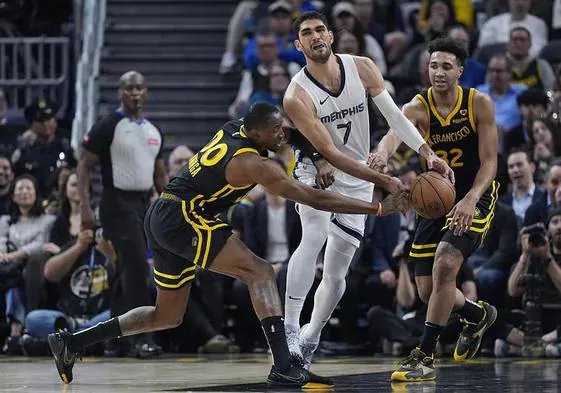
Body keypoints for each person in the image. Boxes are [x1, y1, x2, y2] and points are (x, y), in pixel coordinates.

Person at [47, 102, 408, 387]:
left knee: (166, 316)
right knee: (261, 271)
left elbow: (293, 135)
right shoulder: (253, 164)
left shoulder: (237, 128)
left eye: (280, 127)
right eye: (274, 131)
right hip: (183, 218)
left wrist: (313, 154)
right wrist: (375, 206)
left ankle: (73, 343)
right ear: (255, 133)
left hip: (164, 215)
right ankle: (285, 366)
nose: (281, 135)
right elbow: (315, 199)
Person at [281, 11, 453, 370]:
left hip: (359, 176)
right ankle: (289, 330)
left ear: (330, 35)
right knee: (312, 236)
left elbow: (395, 116)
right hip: (317, 171)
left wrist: (426, 153)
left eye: (319, 30)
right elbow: (329, 154)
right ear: (298, 45)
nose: (315, 37)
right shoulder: (296, 95)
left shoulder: (362, 67)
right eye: (306, 33)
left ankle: (311, 337)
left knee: (336, 273)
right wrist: (385, 181)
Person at [370, 37, 499, 381]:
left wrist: (471, 199)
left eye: (446, 66)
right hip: (433, 200)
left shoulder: (479, 104)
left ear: (460, 70)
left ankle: (423, 356)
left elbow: (490, 162)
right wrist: (383, 155)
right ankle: (477, 314)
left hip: (474, 193)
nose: (438, 72)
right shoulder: (418, 106)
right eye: (433, 65)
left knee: (445, 264)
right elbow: (394, 133)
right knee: (429, 292)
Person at [77, 71, 168, 358]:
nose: (135, 93)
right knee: (139, 269)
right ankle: (141, 338)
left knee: (128, 272)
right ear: (120, 92)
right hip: (117, 204)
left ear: (147, 92)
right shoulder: (109, 124)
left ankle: (114, 339)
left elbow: (159, 173)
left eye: (140, 88)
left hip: (144, 204)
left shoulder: (152, 130)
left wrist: (167, 204)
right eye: (129, 88)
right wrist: (84, 206)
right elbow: (83, 165)